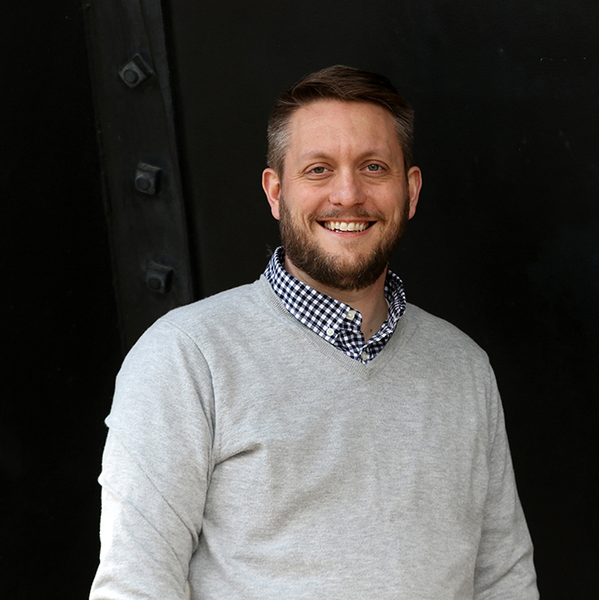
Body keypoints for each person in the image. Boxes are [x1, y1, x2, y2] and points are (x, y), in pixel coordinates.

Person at [89, 65, 538, 600]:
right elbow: (136, 586)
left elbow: (503, 581)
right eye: (319, 169)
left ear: (410, 191)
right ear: (276, 192)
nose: (347, 195)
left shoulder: (463, 367)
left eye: (373, 167)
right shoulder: (186, 358)